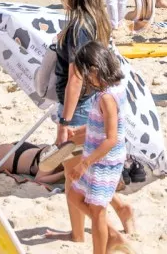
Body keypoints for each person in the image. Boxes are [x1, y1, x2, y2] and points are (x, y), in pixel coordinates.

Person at [64, 42, 134, 254]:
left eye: (87, 75)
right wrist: (80, 132)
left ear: (95, 71)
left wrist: (84, 164)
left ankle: (105, 244)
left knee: (97, 213)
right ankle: (111, 236)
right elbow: (104, 125)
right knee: (74, 197)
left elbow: (111, 138)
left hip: (104, 161)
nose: (86, 80)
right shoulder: (116, 88)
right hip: (98, 157)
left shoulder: (107, 97)